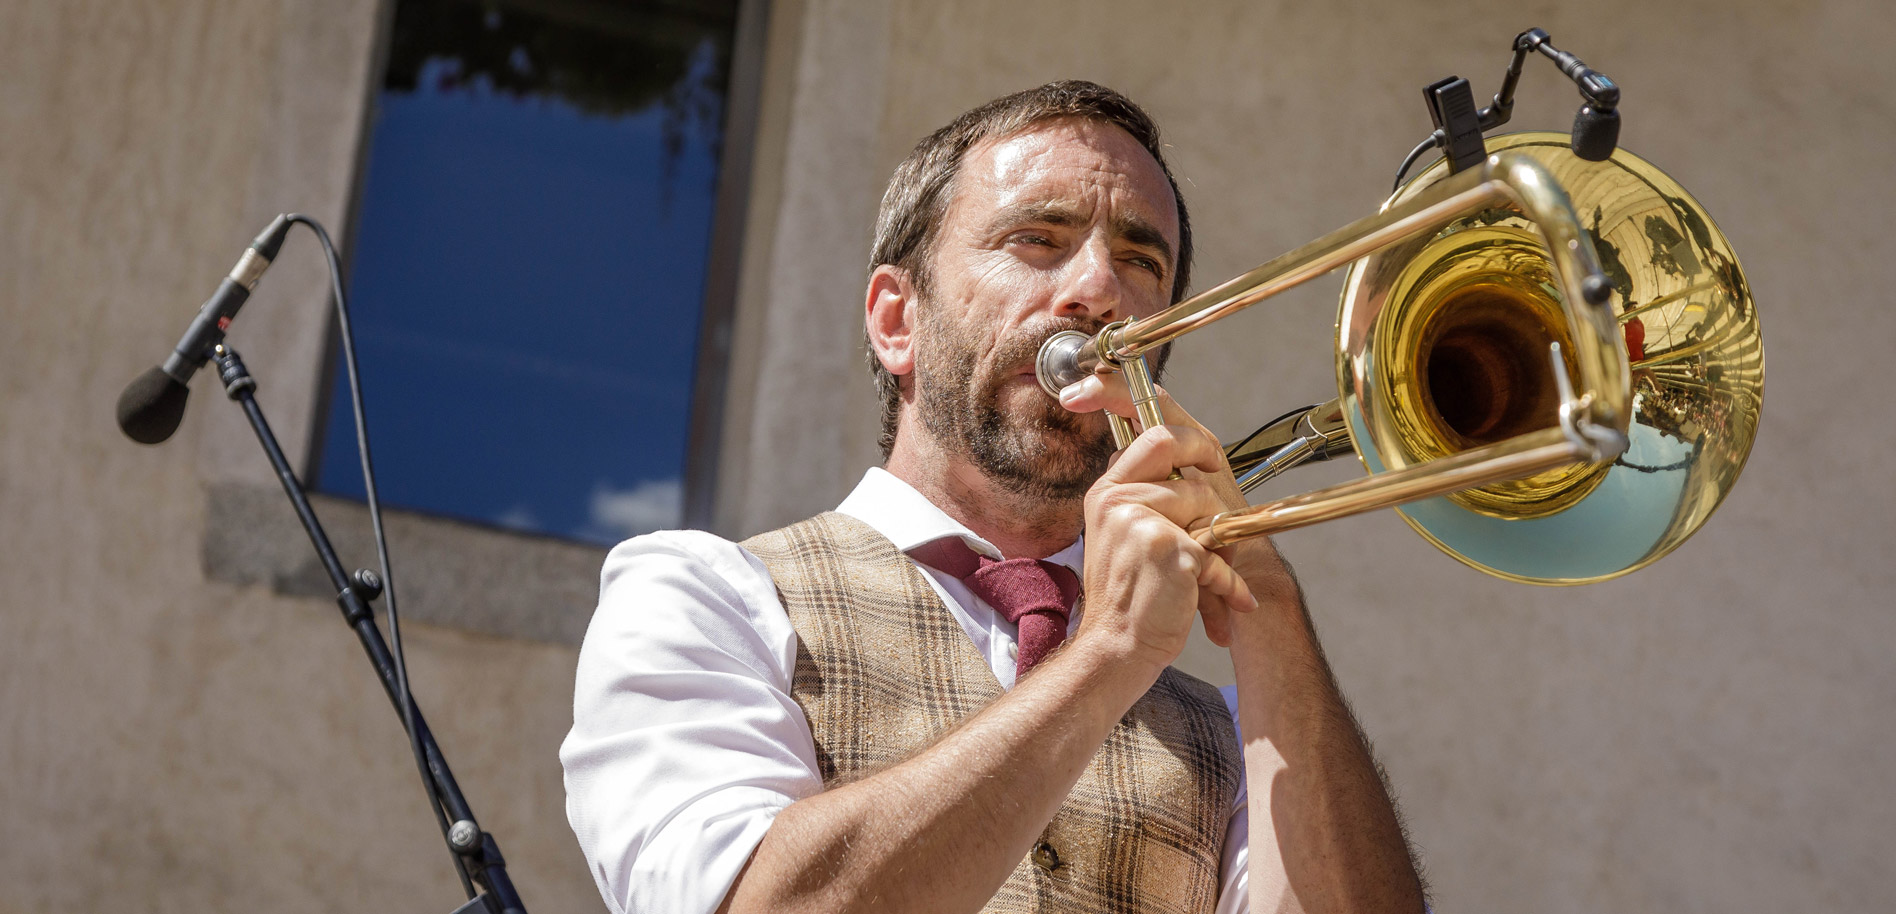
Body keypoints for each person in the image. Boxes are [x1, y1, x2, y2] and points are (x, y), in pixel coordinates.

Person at [560, 80, 1427, 914]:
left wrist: (1271, 616)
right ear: (898, 320)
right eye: (1038, 240)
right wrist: (1107, 654)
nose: (1100, 293)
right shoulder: (704, 597)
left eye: (1140, 260)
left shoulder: (1233, 729)